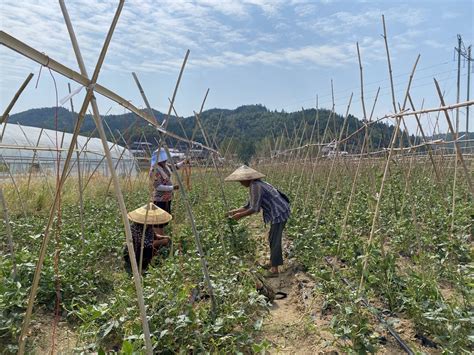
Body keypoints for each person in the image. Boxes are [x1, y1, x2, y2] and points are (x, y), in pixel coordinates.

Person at [226, 165, 290, 277]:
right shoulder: (257, 184)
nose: (240, 183)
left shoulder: (256, 186)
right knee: (272, 237)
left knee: (275, 239)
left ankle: (275, 270)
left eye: (241, 180)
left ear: (248, 179)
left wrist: (239, 216)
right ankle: (272, 262)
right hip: (280, 210)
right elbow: (249, 205)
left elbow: (254, 209)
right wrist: (233, 212)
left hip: (279, 211)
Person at [123, 203, 172, 274]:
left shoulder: (148, 226)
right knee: (148, 249)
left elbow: (154, 235)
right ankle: (141, 266)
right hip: (136, 252)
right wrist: (161, 242)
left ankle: (149, 262)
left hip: (144, 249)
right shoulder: (136, 228)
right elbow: (145, 244)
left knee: (163, 244)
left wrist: (164, 237)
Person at [149, 148, 188, 235]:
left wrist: (184, 162)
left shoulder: (165, 166)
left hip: (167, 198)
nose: (165, 160)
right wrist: (172, 187)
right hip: (159, 199)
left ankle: (161, 237)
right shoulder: (154, 170)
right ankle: (159, 238)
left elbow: (175, 167)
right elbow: (158, 187)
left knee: (164, 219)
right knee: (158, 221)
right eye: (164, 159)